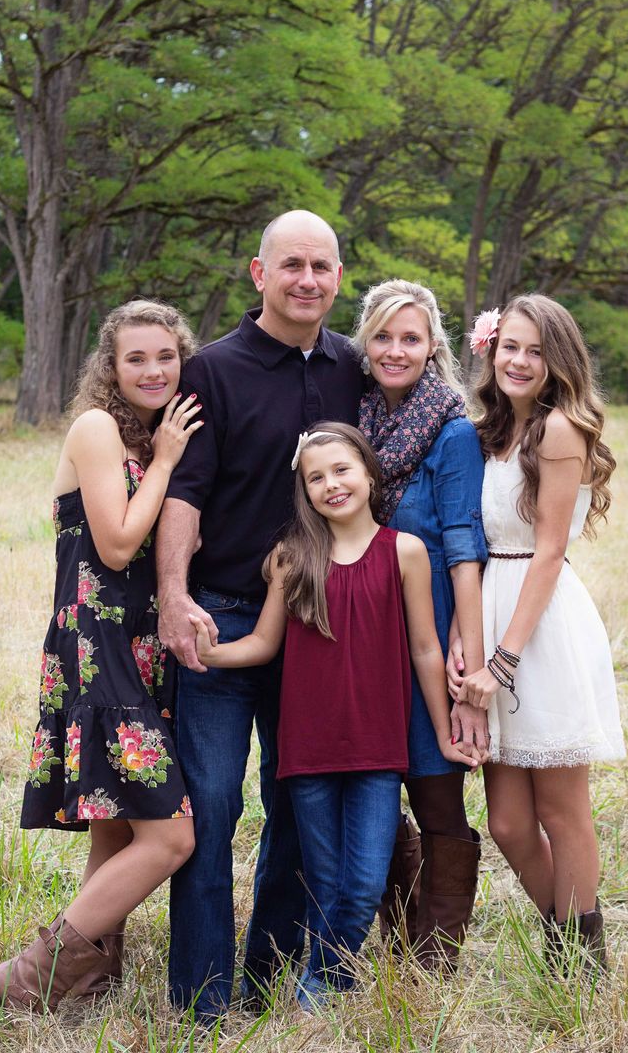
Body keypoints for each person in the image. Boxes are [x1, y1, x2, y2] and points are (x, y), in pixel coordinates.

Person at [189, 423, 478, 1009]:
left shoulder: (405, 551)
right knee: (324, 883)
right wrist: (209, 652)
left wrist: (446, 725)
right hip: (309, 750)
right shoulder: (292, 559)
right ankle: (328, 987)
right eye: (316, 477)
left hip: (377, 747)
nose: (331, 484)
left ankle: (317, 981)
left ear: (370, 474)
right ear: (304, 491)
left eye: (342, 470)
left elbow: (425, 648)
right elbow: (265, 644)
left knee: (366, 881)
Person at [156, 211, 364, 1020]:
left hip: (316, 623)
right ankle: (202, 998)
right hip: (221, 612)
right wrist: (175, 598)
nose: (307, 279)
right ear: (258, 273)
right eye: (292, 266)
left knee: (298, 803)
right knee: (212, 807)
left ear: (338, 277)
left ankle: (271, 975)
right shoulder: (213, 368)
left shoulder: (352, 364)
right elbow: (187, 490)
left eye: (321, 266)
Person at [0, 300, 202, 1012]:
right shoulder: (99, 428)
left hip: (144, 645)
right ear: (109, 367)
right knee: (171, 837)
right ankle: (31, 975)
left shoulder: (156, 435)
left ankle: (90, 974)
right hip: (98, 644)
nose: (153, 369)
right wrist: (167, 461)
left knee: (116, 815)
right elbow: (115, 544)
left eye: (165, 356)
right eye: (135, 358)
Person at [450, 294, 625, 967]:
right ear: (490, 350)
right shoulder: (492, 431)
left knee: (560, 810)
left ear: (557, 361)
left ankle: (579, 960)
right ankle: (570, 934)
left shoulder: (559, 431)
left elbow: (550, 549)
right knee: (507, 823)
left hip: (538, 625)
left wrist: (503, 661)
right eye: (509, 346)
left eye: (534, 350)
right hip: (491, 603)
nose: (519, 361)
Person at [353, 280, 488, 971]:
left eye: (410, 337)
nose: (395, 350)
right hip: (363, 637)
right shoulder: (357, 422)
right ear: (365, 343)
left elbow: (465, 544)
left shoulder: (453, 430)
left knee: (437, 794)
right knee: (373, 794)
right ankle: (400, 928)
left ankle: (437, 955)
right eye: (383, 336)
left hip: (432, 632)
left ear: (433, 345)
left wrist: (470, 643)